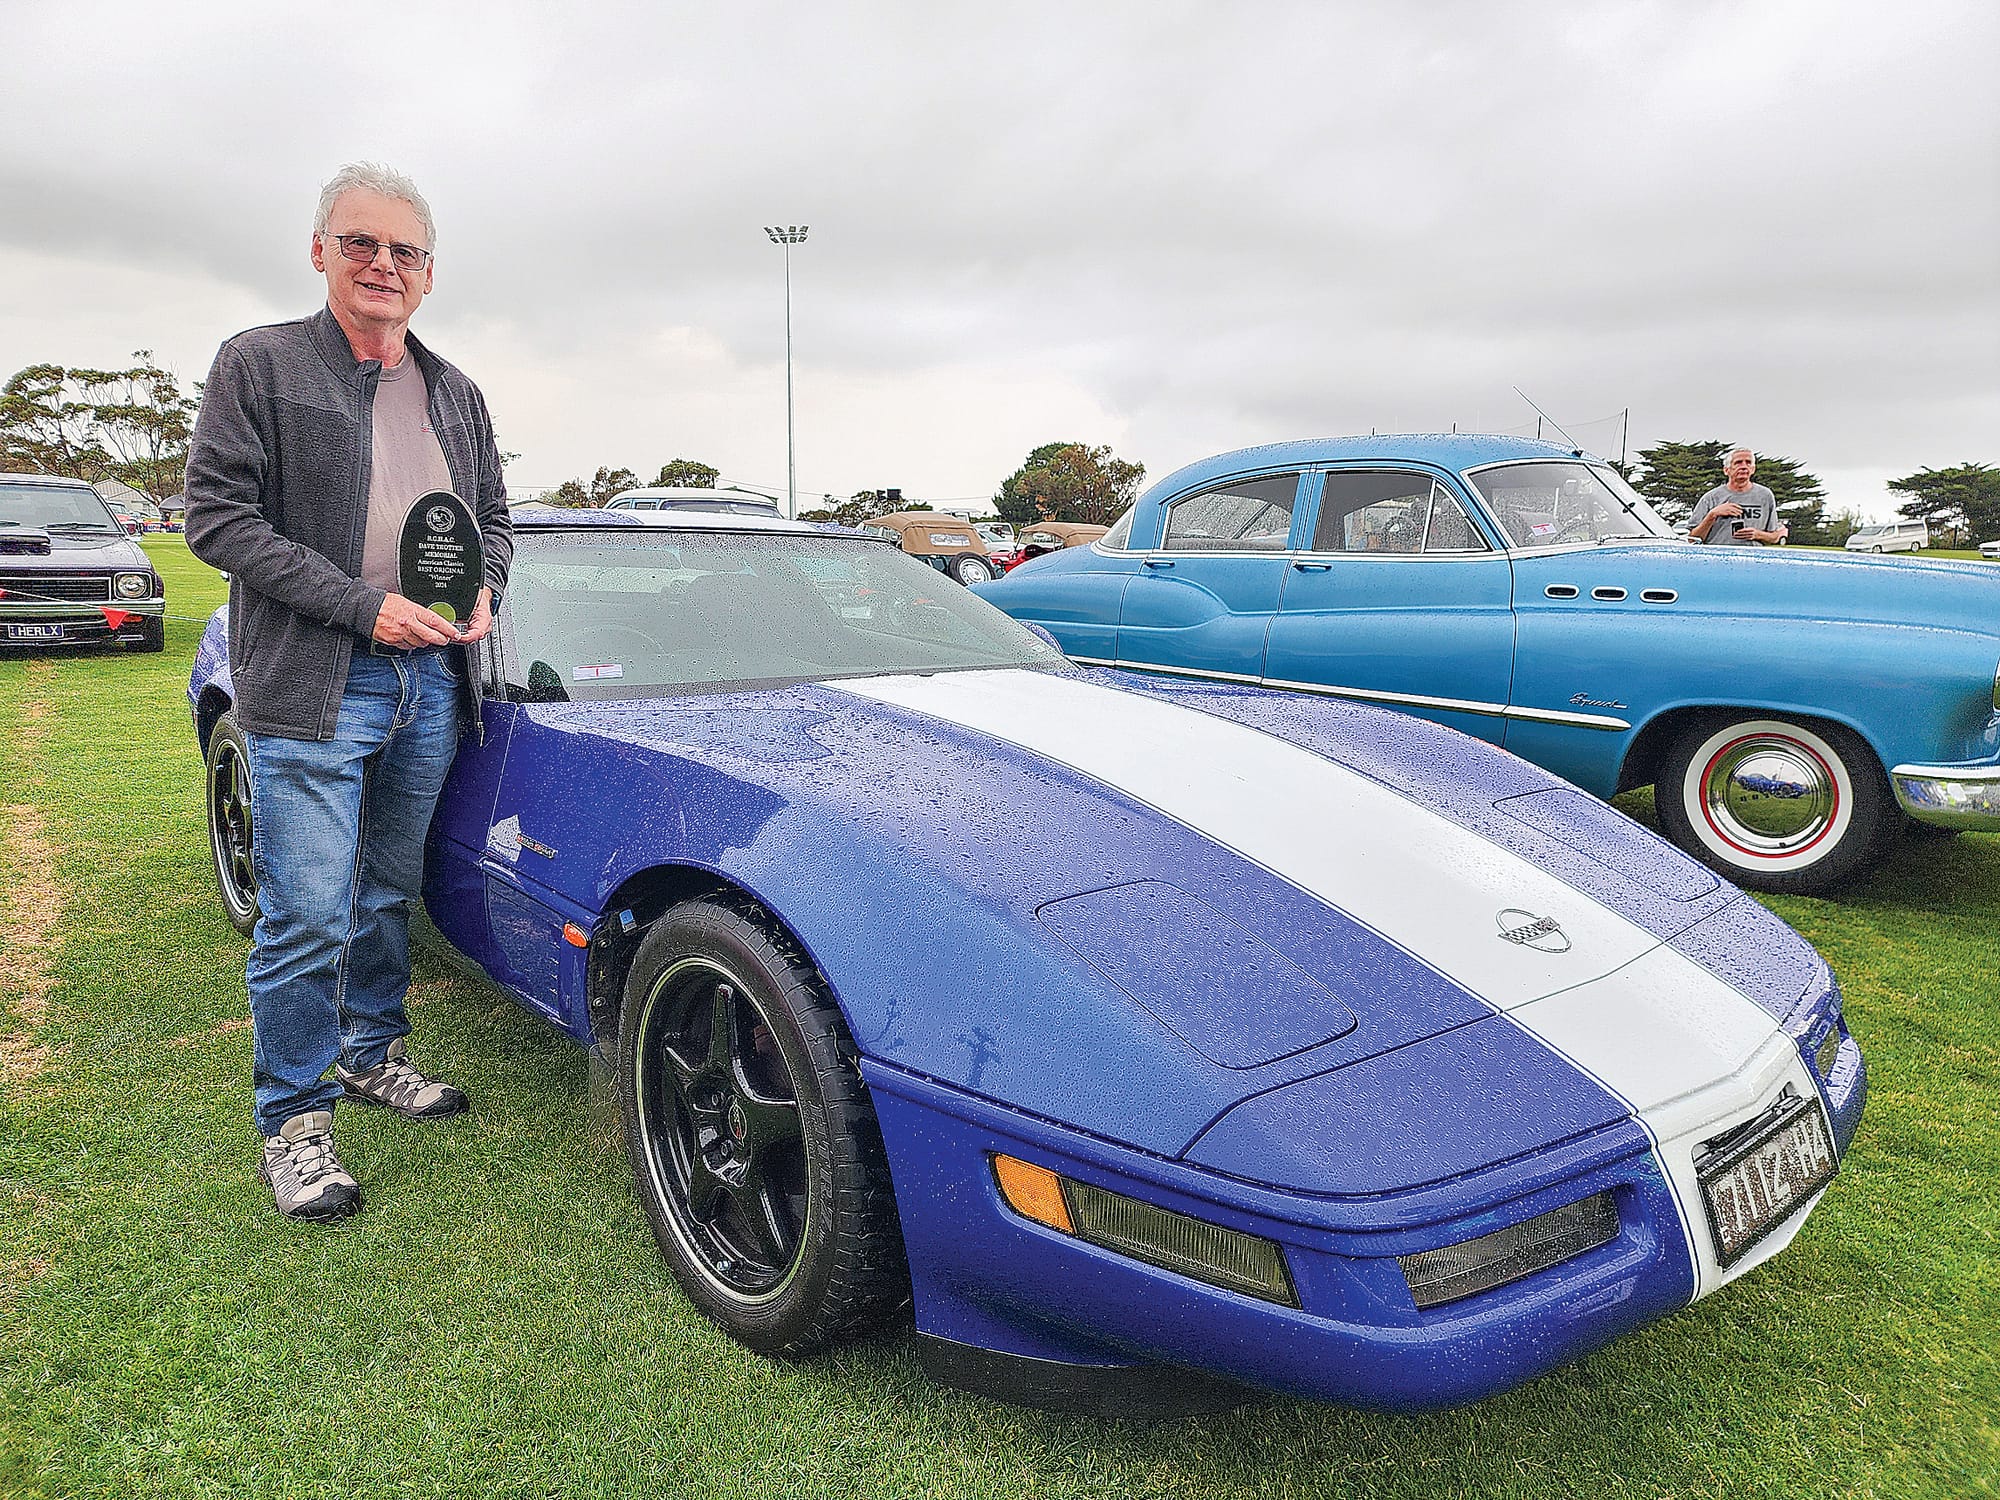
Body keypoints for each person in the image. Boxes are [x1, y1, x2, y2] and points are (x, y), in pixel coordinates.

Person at [185, 163, 513, 1222]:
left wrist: (486, 587)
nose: (383, 265)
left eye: (405, 251)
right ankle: (294, 1122)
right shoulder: (260, 364)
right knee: (309, 913)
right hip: (316, 684)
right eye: (361, 243)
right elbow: (218, 522)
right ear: (321, 250)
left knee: (383, 894)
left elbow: (493, 520)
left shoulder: (455, 390)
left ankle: (372, 1055)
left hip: (430, 683)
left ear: (429, 273)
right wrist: (362, 609)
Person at [1689, 448, 1786, 545]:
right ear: (1726, 470)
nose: (1744, 466)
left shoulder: (1765, 496)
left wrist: (1758, 534)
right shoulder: (1711, 498)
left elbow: (1774, 537)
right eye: (1738, 463)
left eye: (1748, 462)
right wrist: (1712, 515)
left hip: (1752, 554)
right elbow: (1692, 539)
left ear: (1753, 469)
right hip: (1719, 553)